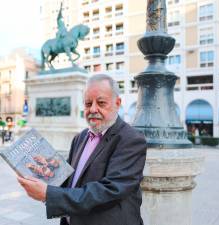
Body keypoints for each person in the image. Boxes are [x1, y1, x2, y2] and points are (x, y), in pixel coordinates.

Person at [17, 74, 147, 225]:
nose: (93, 109)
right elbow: (68, 179)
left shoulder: (131, 139)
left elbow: (109, 191)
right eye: (87, 103)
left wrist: (48, 194)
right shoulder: (80, 137)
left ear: (117, 103)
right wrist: (34, 173)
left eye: (101, 103)